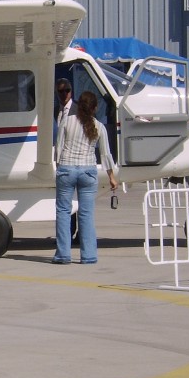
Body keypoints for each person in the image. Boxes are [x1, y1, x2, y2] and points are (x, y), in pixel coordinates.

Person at [53, 90, 118, 265]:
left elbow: (58, 148)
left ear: (79, 105)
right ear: (95, 108)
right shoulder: (99, 126)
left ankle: (63, 254)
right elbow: (105, 154)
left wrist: (59, 167)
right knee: (86, 214)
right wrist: (111, 177)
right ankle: (88, 255)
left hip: (67, 168)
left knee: (63, 211)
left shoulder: (67, 121)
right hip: (88, 171)